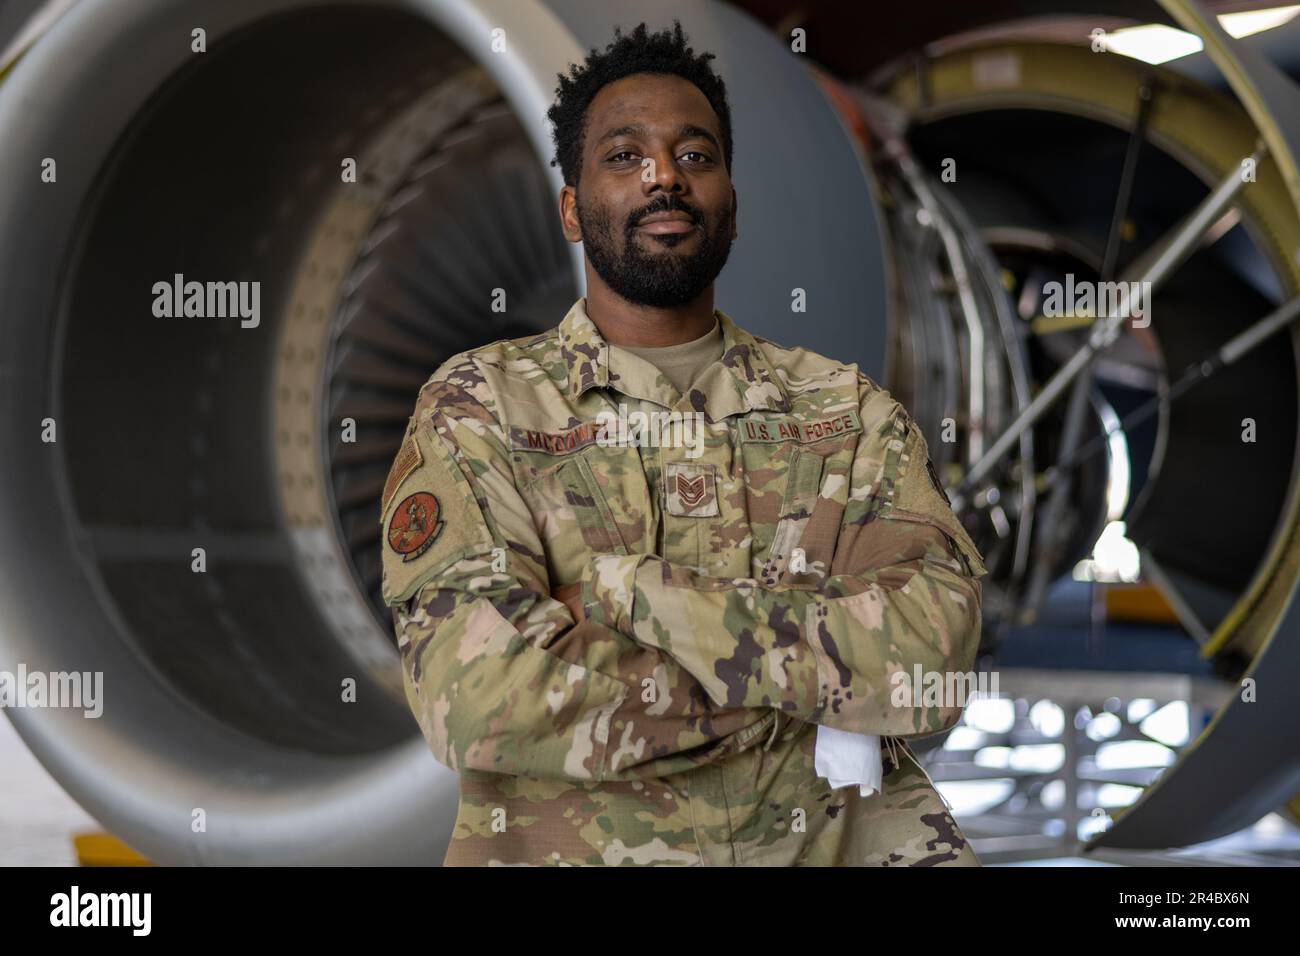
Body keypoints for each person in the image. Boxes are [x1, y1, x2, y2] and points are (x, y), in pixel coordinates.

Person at [379, 20, 988, 866]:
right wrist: (802, 687)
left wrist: (625, 598)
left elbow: (932, 664)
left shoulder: (844, 413)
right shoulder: (482, 408)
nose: (664, 175)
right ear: (570, 208)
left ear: (731, 207)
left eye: (695, 156)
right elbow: (475, 695)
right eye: (624, 157)